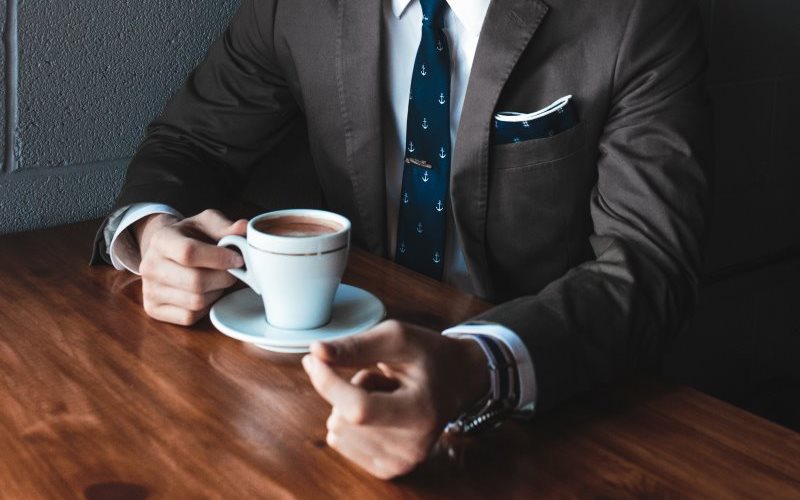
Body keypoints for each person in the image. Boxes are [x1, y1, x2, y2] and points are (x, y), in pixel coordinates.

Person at [92, 0, 711, 479]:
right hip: (317, 390)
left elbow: (649, 264)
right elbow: (190, 142)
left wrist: (478, 366)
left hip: (548, 418)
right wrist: (150, 232)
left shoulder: (637, 14)